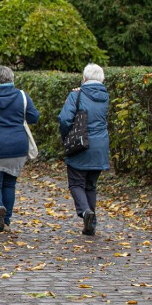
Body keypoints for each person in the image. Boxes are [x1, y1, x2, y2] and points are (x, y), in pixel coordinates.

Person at [0, 66, 40, 233]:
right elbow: (34, 117)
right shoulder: (21, 96)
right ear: (12, 79)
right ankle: (6, 222)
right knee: (9, 184)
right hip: (17, 147)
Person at [59, 63, 110, 236]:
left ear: (84, 78)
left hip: (80, 145)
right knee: (90, 186)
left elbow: (65, 119)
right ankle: (91, 224)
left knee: (76, 183)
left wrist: (65, 137)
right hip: (100, 148)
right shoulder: (105, 96)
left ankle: (85, 212)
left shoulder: (76, 95)